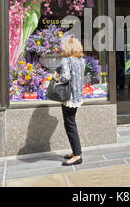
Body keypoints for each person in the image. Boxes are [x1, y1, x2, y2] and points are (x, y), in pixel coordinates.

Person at [52, 37, 86, 166]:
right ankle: (75, 151)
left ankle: (77, 155)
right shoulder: (81, 61)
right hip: (76, 97)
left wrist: (56, 79)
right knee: (71, 123)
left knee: (70, 125)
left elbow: (65, 77)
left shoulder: (66, 60)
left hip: (68, 97)